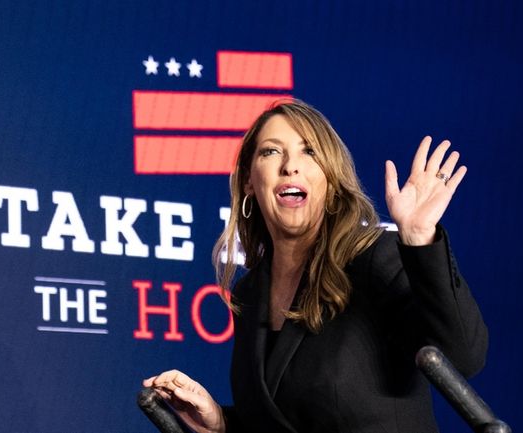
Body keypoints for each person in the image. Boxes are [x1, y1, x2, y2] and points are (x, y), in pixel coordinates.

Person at [143, 100, 488, 433]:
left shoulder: (372, 259)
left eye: (309, 151)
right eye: (271, 151)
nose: (290, 165)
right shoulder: (250, 293)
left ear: (331, 179)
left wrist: (419, 239)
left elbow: (461, 356)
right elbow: (287, 419)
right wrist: (221, 423)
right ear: (249, 180)